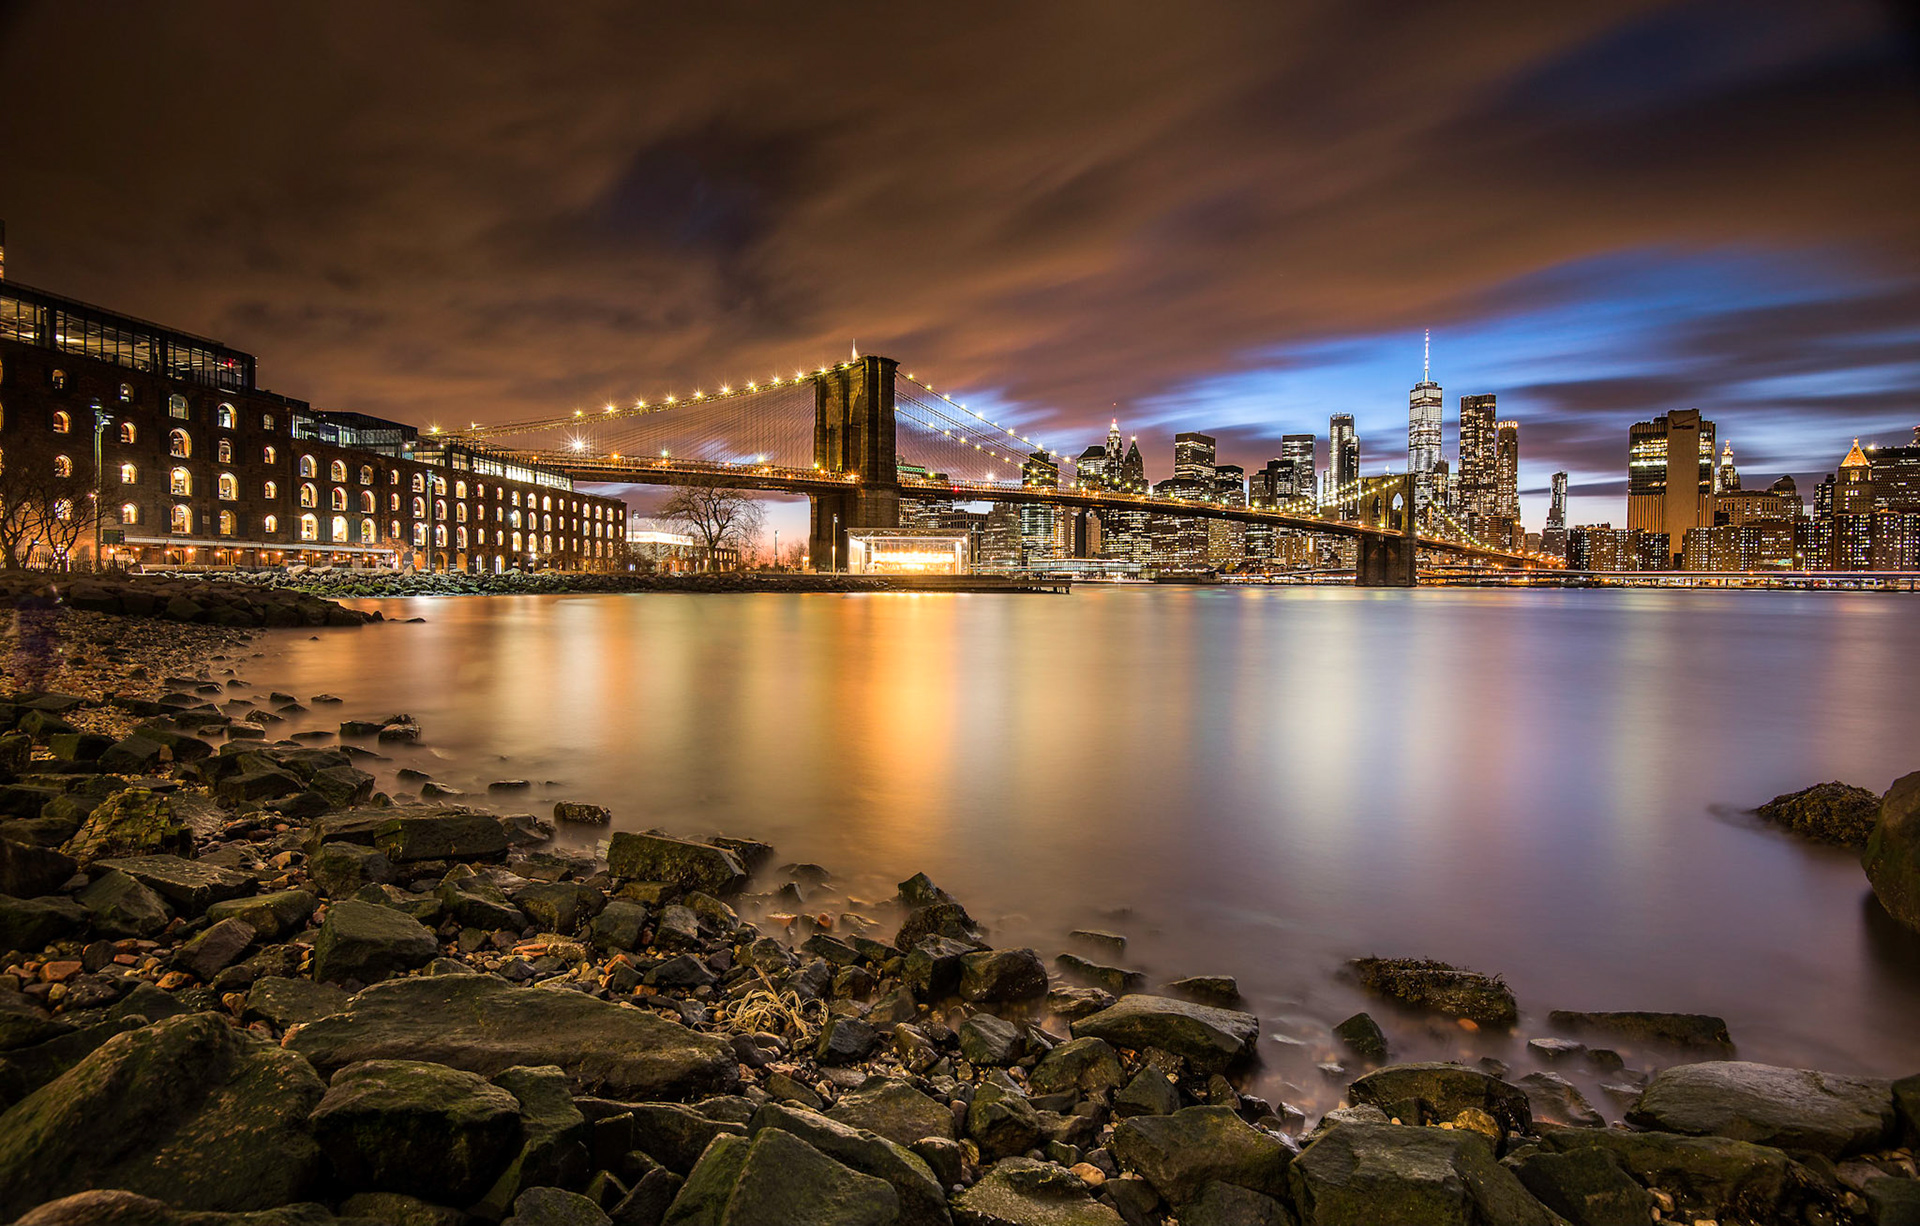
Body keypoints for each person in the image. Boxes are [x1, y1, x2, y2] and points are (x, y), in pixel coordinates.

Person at [10, 582, 61, 694]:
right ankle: (36, 684)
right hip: (35, 635)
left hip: (31, 634)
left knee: (36, 658)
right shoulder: (37, 603)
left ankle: (34, 684)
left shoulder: (28, 601)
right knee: (39, 658)